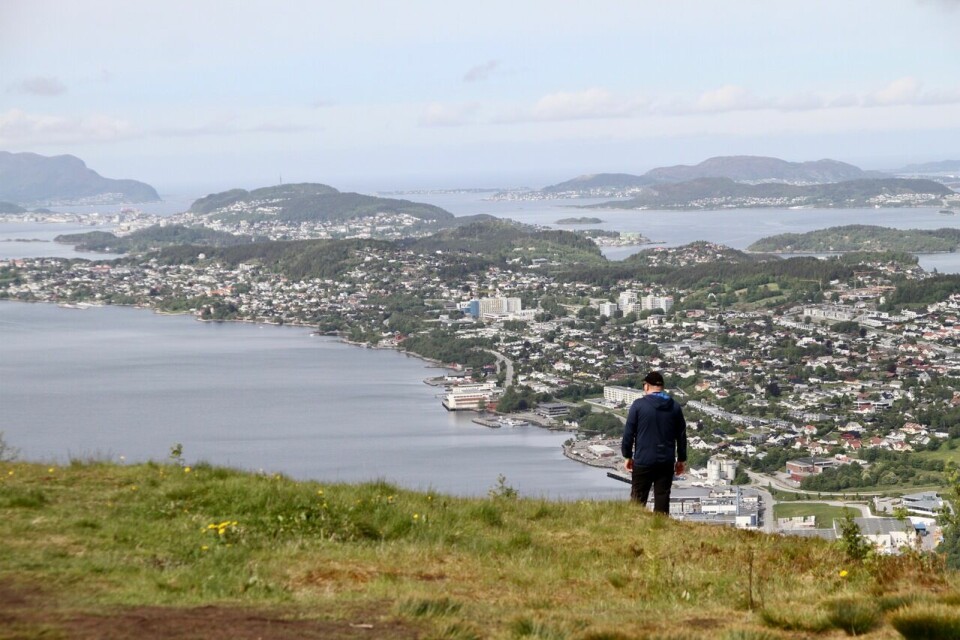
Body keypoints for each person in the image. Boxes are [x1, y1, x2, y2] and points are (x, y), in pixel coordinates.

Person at [621, 371, 687, 514]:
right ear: (662, 387)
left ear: (646, 386)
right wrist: (681, 459)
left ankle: (634, 529)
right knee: (662, 498)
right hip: (666, 460)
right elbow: (681, 435)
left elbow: (628, 433)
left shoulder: (638, 405)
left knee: (638, 498)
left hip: (643, 459)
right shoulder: (675, 407)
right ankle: (660, 528)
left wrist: (627, 456)